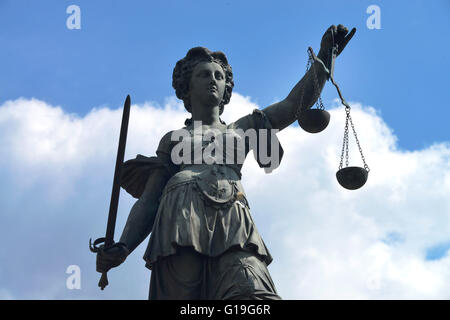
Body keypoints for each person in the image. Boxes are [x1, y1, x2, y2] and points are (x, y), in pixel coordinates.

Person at [96, 24, 356, 300]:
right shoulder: (173, 139)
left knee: (253, 293)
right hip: (179, 222)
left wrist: (326, 56)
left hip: (233, 221)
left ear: (226, 87)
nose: (213, 80)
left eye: (219, 76)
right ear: (188, 85)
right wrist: (124, 246)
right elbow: (149, 201)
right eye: (204, 74)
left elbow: (294, 104)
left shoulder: (244, 128)